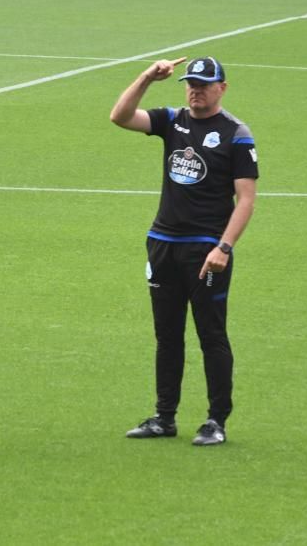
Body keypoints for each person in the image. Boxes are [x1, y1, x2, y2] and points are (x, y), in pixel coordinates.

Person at [110, 56, 258, 446]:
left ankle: (216, 421)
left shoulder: (236, 134)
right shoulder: (173, 120)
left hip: (206, 250)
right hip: (163, 245)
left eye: (204, 85)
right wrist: (146, 78)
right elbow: (120, 117)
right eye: (191, 83)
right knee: (167, 336)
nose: (195, 90)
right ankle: (164, 416)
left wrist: (224, 247)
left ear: (222, 88)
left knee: (211, 335)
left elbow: (246, 199)